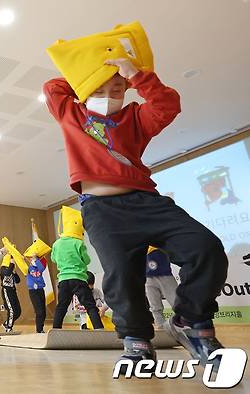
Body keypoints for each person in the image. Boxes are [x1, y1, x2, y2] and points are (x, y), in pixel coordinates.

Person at [44, 54, 227, 367]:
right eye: (98, 92)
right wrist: (91, 70)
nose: (107, 98)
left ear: (126, 90)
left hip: (146, 200)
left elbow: (168, 105)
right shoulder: (71, 114)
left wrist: (136, 75)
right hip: (102, 209)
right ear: (84, 91)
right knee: (121, 275)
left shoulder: (135, 117)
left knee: (206, 248)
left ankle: (191, 323)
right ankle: (137, 340)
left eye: (116, 90)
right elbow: (53, 88)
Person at [51, 207, 104, 331]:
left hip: (63, 279)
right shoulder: (79, 243)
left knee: (61, 306)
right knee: (90, 306)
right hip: (79, 279)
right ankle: (99, 329)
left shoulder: (56, 244)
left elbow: (54, 259)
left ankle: (56, 330)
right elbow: (86, 260)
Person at [145, 247, 178, 327]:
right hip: (148, 277)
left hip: (165, 275)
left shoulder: (160, 240)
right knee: (155, 305)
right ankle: (160, 325)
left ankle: (182, 323)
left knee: (177, 302)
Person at [26, 253, 47, 333]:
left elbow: (41, 268)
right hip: (33, 291)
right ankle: (39, 330)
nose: (32, 260)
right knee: (39, 311)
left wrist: (37, 259)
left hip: (40, 289)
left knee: (43, 312)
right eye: (31, 259)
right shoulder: (28, 268)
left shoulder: (39, 267)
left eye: (34, 259)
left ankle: (41, 328)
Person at [0, 261, 22, 332]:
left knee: (18, 311)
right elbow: (7, 273)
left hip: (13, 291)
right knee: (11, 310)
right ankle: (9, 327)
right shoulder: (3, 268)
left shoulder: (11, 269)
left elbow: (18, 281)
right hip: (6, 291)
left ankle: (6, 323)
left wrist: (15, 272)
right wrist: (12, 264)